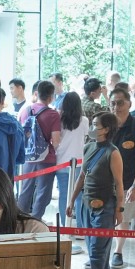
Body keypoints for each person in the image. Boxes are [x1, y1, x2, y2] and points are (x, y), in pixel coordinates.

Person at [67, 113, 125, 269]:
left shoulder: (113, 152)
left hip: (105, 206)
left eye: (95, 124)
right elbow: (82, 176)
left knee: (98, 249)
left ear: (106, 129)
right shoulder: (88, 146)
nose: (92, 127)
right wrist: (72, 200)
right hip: (85, 204)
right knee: (93, 246)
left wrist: (119, 209)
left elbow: (119, 183)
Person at [107, 88, 135, 269]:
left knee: (123, 217)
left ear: (129, 104)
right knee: (103, 217)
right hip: (105, 181)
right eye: (113, 103)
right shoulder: (105, 124)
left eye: (120, 103)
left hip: (127, 181)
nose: (116, 107)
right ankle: (101, 252)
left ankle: (118, 251)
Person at [16, 80, 62, 220]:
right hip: (46, 158)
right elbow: (56, 141)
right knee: (43, 190)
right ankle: (36, 219)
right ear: (51, 97)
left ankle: (21, 218)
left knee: (25, 188)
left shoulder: (25, 110)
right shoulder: (53, 114)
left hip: (28, 157)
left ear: (37, 93)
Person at [55, 92, 89, 228]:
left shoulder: (58, 119)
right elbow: (85, 138)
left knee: (64, 195)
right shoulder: (84, 120)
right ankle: (80, 227)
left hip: (61, 162)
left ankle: (65, 226)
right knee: (79, 195)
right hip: (79, 162)